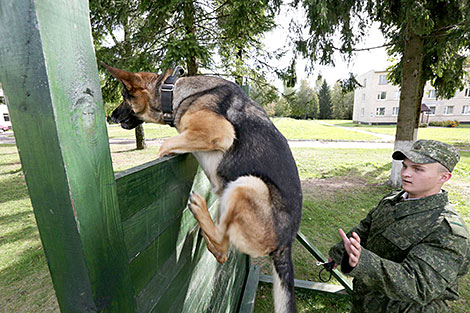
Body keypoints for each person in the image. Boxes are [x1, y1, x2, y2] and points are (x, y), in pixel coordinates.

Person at [328, 139, 470, 312]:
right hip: (367, 303)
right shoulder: (393, 200)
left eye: (418, 169)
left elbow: (419, 285)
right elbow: (366, 229)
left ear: (444, 177)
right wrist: (340, 252)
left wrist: (362, 261)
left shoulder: (447, 230)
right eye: (405, 166)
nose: (405, 174)